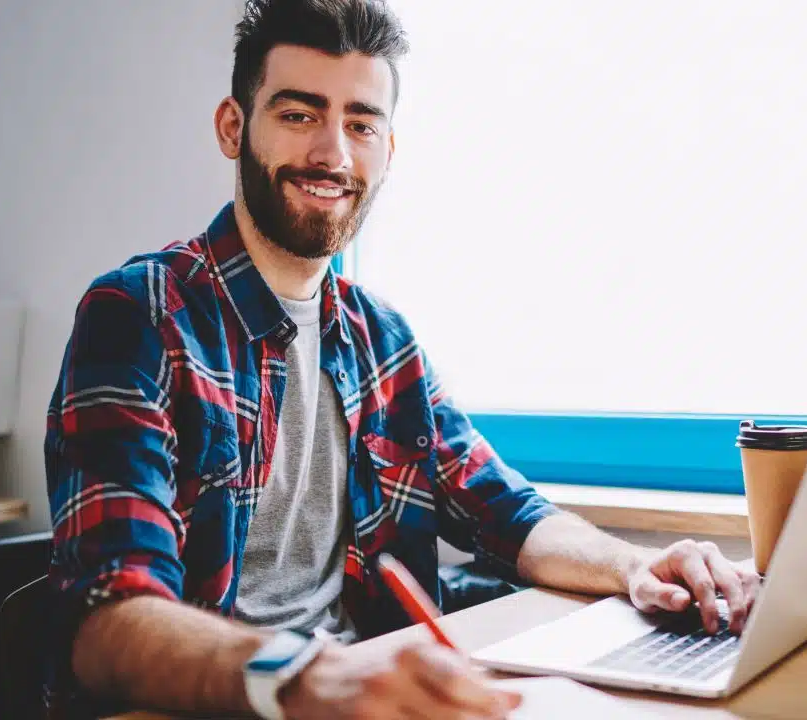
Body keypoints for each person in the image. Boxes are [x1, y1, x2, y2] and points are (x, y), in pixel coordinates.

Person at [43, 1, 761, 718]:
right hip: (237, 700)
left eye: (361, 124)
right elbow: (109, 620)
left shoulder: (382, 338)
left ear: (389, 148)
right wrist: (306, 676)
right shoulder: (138, 314)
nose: (333, 154)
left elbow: (508, 513)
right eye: (298, 115)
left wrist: (638, 568)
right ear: (234, 128)